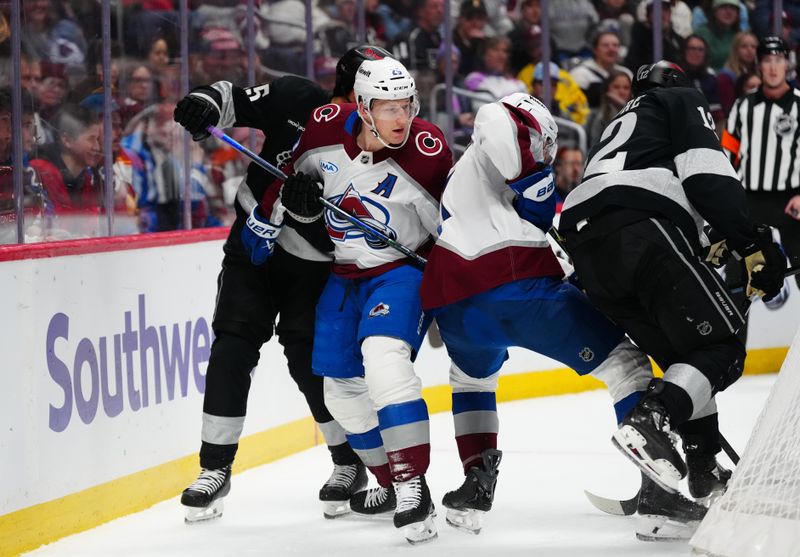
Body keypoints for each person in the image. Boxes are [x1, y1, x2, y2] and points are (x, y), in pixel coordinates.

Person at [413, 92, 707, 540]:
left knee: (470, 382)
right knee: (625, 365)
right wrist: (535, 169)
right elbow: (494, 119)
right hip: (516, 289)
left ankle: (477, 480)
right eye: (546, 143)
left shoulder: (470, 177)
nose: (547, 154)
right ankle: (657, 496)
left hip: (457, 306)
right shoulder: (505, 133)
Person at [171, 45, 392, 523]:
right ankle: (214, 468)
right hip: (253, 240)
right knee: (232, 344)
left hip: (312, 264)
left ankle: (346, 462)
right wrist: (205, 102)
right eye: (373, 90)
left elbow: (364, 221)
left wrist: (314, 217)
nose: (384, 103)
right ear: (350, 87)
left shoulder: (386, 142)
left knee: (309, 361)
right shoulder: (297, 98)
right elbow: (232, 98)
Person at [558, 61, 786, 504]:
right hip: (640, 226)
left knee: (689, 358)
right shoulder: (681, 99)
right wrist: (750, 240)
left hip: (589, 248)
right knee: (723, 346)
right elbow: (707, 176)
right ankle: (652, 420)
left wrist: (705, 242)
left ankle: (703, 469)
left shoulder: (619, 125)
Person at [257, 57, 452, 544]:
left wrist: (449, 295)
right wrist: (277, 217)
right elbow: (289, 181)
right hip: (344, 277)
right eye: (388, 108)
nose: (401, 118)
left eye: (407, 106)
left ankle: (413, 485)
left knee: (383, 362)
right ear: (363, 107)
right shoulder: (325, 127)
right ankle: (388, 483)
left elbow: (449, 228)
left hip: (401, 272)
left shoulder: (427, 151)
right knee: (339, 391)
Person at [722, 36, 800, 292]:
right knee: (737, 270)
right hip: (749, 199)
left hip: (791, 201)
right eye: (768, 61)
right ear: (759, 65)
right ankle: (732, 330)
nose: (774, 67)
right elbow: (727, 154)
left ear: (787, 65)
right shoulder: (742, 106)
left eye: (779, 60)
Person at [569, 31, 632, 109]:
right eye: (606, 45)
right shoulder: (580, 73)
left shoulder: (625, 72)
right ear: (595, 50)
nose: (611, 49)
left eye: (615, 45)